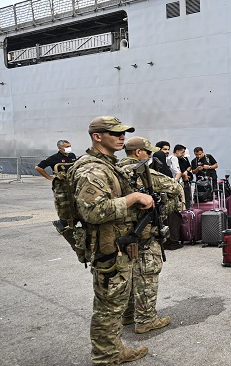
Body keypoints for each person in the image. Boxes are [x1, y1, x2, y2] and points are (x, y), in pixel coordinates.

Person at [70, 116, 152, 364]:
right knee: (108, 308)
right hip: (108, 248)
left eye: (123, 133)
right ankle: (106, 357)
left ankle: (114, 349)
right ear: (97, 136)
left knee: (114, 305)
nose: (121, 137)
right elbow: (93, 211)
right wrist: (133, 198)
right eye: (115, 133)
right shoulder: (92, 169)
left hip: (117, 244)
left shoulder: (107, 165)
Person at [118, 136, 180, 337]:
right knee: (147, 273)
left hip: (119, 236)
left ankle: (127, 315)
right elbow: (174, 187)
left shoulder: (114, 171)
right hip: (143, 234)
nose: (151, 156)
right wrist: (169, 206)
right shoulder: (143, 173)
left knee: (127, 273)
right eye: (149, 152)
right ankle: (146, 319)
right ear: (138, 153)